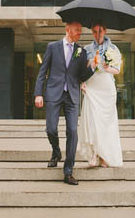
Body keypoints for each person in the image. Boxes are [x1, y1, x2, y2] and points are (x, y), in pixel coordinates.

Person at [34, 21, 96, 185]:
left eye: (81, 31)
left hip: (72, 96)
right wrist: (38, 93)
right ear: (68, 30)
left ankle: (68, 171)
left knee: (73, 131)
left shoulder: (81, 51)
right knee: (51, 129)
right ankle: (56, 152)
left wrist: (92, 66)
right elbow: (43, 72)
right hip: (54, 92)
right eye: (77, 30)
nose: (79, 33)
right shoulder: (52, 47)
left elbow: (82, 75)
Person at [79, 22, 123, 168]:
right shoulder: (86, 49)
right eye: (94, 31)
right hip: (92, 87)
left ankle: (104, 156)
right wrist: (83, 78)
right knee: (92, 121)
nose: (97, 34)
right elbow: (82, 69)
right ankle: (93, 154)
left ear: (105, 31)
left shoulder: (113, 48)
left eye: (99, 31)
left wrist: (107, 67)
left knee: (105, 124)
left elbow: (117, 70)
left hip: (106, 88)